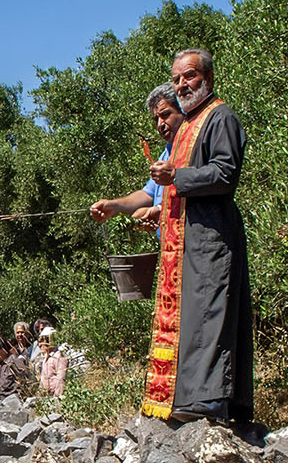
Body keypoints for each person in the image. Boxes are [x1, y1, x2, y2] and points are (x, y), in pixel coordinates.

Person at [142, 48, 254, 425]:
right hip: (186, 241)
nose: (182, 84)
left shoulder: (219, 117)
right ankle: (188, 397)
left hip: (211, 239)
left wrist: (177, 178)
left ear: (207, 76)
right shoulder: (188, 125)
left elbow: (225, 173)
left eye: (188, 76)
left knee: (210, 315)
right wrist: (161, 206)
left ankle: (210, 402)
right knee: (191, 317)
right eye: (176, 79)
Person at [90, 84, 187, 227]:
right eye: (156, 119)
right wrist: (114, 205)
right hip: (170, 246)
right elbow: (148, 195)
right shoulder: (166, 154)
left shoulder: (195, 148)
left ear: (183, 112)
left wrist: (162, 210)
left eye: (165, 115)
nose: (160, 124)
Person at [37, 329, 69, 397]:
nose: (40, 344)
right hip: (46, 395)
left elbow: (61, 378)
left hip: (54, 395)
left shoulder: (59, 357)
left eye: (44, 340)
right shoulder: (46, 357)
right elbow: (43, 378)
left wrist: (57, 396)